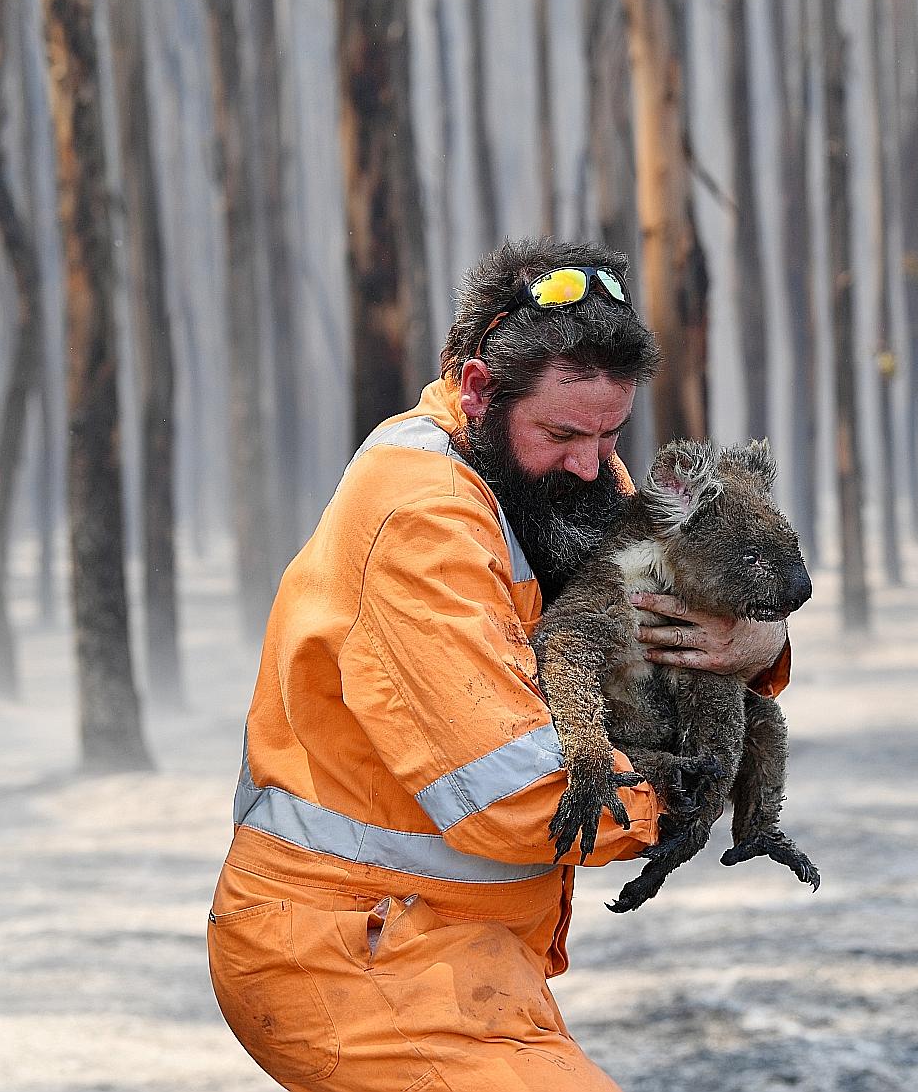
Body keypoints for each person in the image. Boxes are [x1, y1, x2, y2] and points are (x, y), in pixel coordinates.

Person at [207, 240, 793, 1091]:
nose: (597, 463)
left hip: (458, 950)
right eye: (564, 432)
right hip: (350, 953)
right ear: (481, 390)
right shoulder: (422, 519)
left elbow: (680, 600)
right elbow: (513, 792)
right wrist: (689, 789)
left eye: (612, 432)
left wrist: (761, 648)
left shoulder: (555, 473)